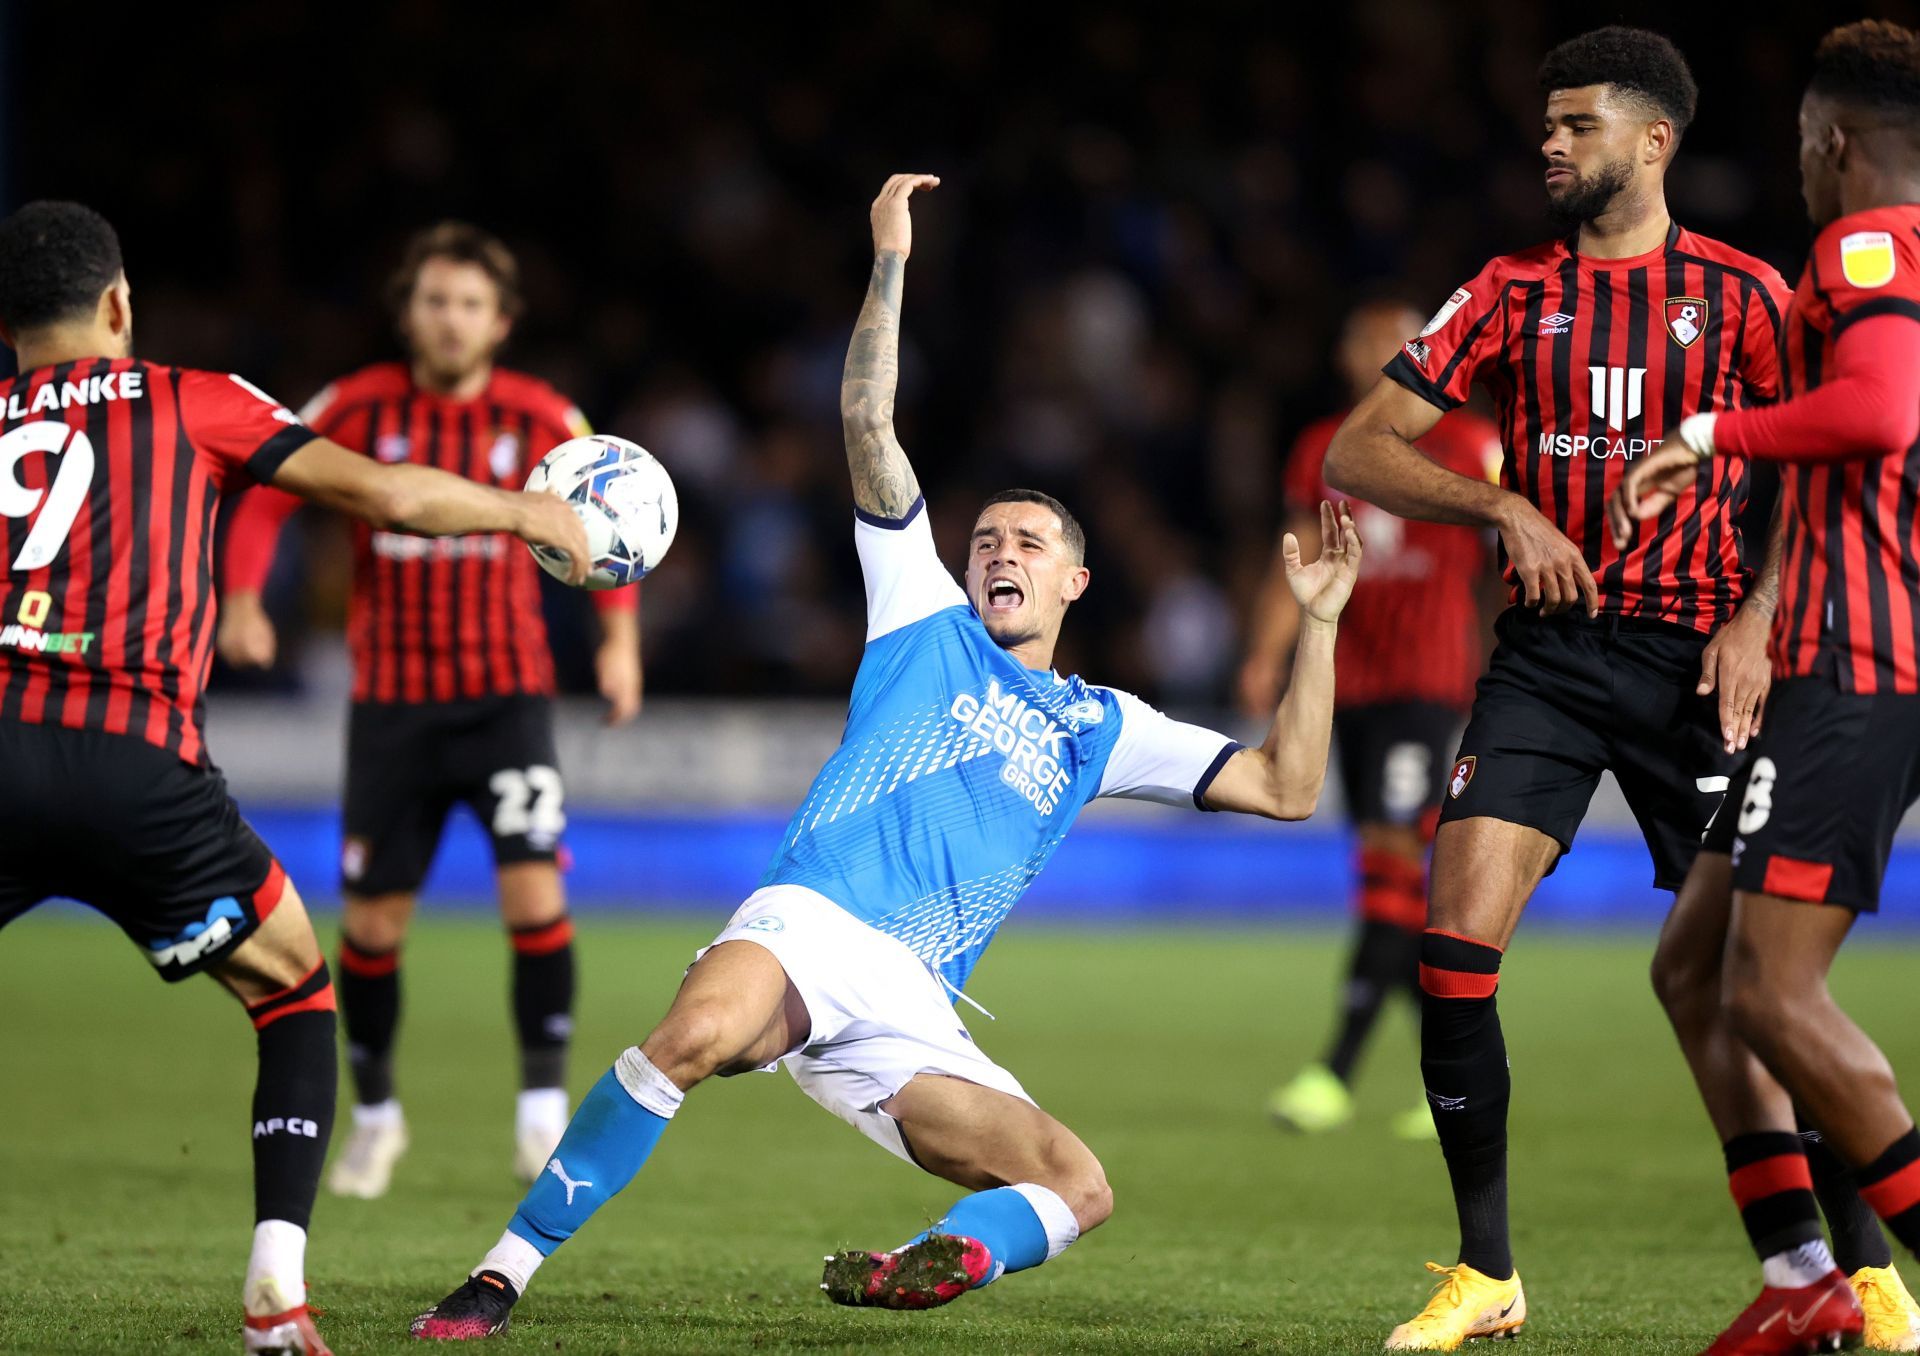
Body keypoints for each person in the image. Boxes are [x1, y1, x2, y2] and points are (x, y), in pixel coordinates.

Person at [407, 173, 1359, 1340]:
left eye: (1030, 543)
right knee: (691, 1038)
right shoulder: (922, 613)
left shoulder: (1105, 724)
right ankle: (500, 1273)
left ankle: (926, 1258)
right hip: (811, 923)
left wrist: (1317, 626)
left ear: (1076, 582)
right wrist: (892, 259)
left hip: (915, 1005)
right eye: (986, 540)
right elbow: (867, 420)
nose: (1000, 553)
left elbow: (1290, 786)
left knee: (1080, 1186)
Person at [0, 201, 589, 1355]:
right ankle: (277, 1286)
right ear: (119, 305)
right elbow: (390, 496)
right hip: (137, 764)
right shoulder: (192, 398)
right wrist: (526, 510)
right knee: (293, 994)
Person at [1323, 26, 1810, 1350]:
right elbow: (1365, 449)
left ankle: (1838, 1268)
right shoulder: (1500, 292)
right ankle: (1489, 1275)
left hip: (1701, 662)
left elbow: (1826, 470)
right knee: (1453, 950)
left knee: (1756, 990)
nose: (1551, 143)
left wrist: (1764, 616)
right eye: (1546, 126)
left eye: (1578, 125)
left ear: (1654, 141)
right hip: (1546, 660)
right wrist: (1499, 507)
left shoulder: (1750, 296)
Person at [218, 223, 643, 1196]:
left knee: (536, 898)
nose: (449, 320)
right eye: (434, 301)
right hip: (394, 710)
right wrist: (242, 599)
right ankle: (375, 1117)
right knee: (371, 929)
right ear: (408, 311)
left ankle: (540, 1113)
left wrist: (619, 642)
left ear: (502, 321)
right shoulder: (360, 406)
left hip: (506, 701)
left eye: (469, 304)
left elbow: (605, 527)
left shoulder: (542, 418)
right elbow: (267, 492)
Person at [1614, 21, 1920, 1353]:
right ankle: (1803, 1275)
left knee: (1777, 995)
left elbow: (1879, 414)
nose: (1798, 167)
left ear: (1834, 143)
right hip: (1828, 661)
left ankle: (1863, 1278)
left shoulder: (1867, 250)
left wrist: (1708, 433)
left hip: (1856, 667)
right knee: (1697, 967)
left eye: (1804, 144)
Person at [1245, 299, 1499, 1141]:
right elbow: (1300, 553)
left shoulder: (1471, 445)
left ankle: (1335, 1070)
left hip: (1428, 686)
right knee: (1386, 878)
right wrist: (1265, 654)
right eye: (1365, 340)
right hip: (1346, 685)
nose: (1377, 352)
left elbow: (1510, 556)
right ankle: (1462, 1068)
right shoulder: (1323, 448)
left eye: (1396, 339)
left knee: (1391, 867)